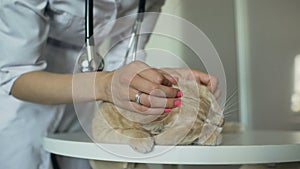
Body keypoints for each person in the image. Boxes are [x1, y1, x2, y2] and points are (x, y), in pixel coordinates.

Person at [0, 0, 219, 169]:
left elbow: (123, 63)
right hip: (23, 105)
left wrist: (158, 79)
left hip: (87, 103)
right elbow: (16, 74)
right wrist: (104, 84)